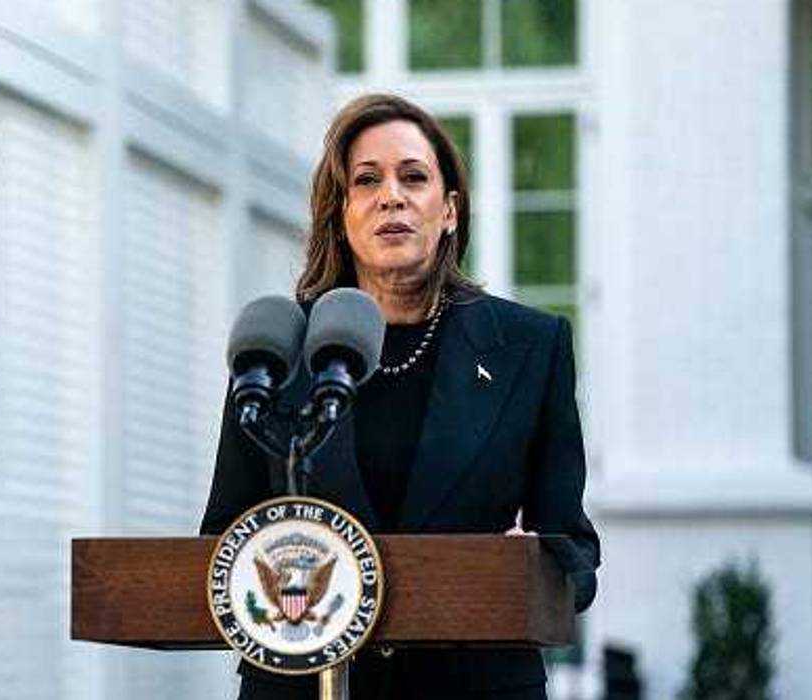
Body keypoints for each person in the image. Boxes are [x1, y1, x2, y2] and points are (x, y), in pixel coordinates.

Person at [199, 93, 601, 699]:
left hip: (473, 685)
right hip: (303, 685)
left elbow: (577, 553)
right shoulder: (275, 349)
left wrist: (536, 561)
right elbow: (224, 539)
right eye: (367, 181)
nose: (392, 196)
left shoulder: (529, 347)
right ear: (341, 214)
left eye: (414, 177)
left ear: (450, 211)